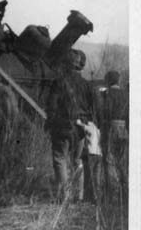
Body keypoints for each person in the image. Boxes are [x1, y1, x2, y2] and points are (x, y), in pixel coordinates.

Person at [45, 50, 92, 202]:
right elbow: (92, 106)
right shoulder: (86, 84)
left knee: (60, 158)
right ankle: (79, 196)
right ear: (78, 65)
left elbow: (52, 106)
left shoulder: (58, 83)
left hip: (62, 126)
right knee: (77, 160)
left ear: (65, 65)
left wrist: (50, 123)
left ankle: (64, 196)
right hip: (81, 127)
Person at [99, 70, 129, 201]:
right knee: (122, 162)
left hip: (110, 128)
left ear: (108, 80)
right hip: (124, 130)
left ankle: (112, 195)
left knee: (109, 160)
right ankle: (125, 193)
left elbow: (104, 113)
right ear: (118, 80)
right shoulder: (126, 94)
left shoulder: (107, 94)